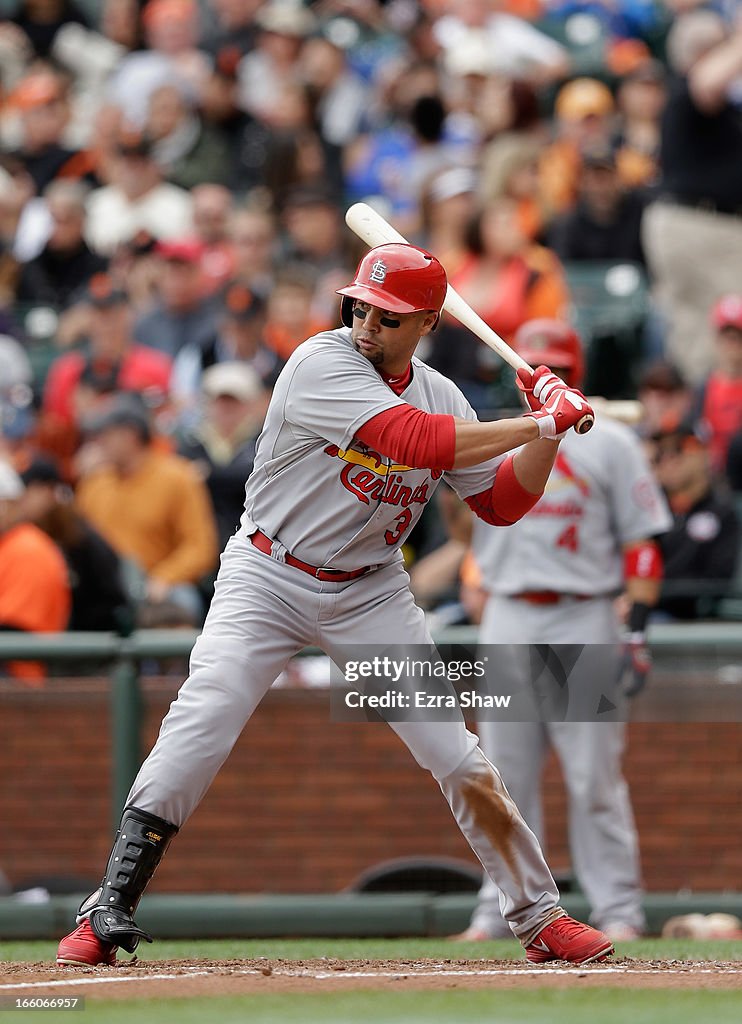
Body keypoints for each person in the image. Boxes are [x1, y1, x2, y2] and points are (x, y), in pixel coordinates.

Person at [56, 243, 612, 969]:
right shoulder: (321, 363)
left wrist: (551, 435)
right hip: (268, 575)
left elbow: (502, 501)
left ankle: (540, 917)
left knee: (457, 755)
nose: (366, 324)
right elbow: (406, 441)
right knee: (202, 721)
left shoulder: (442, 393)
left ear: (427, 324)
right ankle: (109, 907)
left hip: (369, 592)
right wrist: (536, 420)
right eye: (362, 306)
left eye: (389, 316)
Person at [453, 318, 671, 943]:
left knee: (592, 777)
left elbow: (643, 542)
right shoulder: (495, 431)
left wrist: (636, 627)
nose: (551, 379)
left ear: (578, 374)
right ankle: (498, 910)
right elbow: (461, 510)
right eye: (539, 368)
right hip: (510, 613)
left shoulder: (611, 443)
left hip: (582, 612)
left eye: (563, 370)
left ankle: (619, 909)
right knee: (499, 778)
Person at [641, 10, 742, 383]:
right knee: (716, 333)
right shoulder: (688, 91)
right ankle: (708, 423)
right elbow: (709, 81)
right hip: (701, 224)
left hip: (698, 224)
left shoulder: (715, 109)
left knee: (701, 331)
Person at [75, 394, 218, 627]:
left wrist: (165, 577)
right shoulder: (94, 483)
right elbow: (79, 545)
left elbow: (200, 548)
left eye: (105, 435)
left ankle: (183, 665)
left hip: (155, 584)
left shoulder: (177, 476)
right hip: (104, 589)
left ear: (130, 436)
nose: (98, 443)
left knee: (182, 600)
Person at [19, 456, 131, 633]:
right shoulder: (26, 532)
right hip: (51, 633)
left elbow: (111, 598)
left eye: (27, 490)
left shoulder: (78, 535)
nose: (21, 499)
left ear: (49, 491)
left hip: (91, 638)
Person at [649, 418, 740, 621]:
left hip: (692, 617)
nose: (668, 460)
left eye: (678, 450)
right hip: (643, 610)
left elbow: (717, 579)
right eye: (660, 454)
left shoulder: (721, 511)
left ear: (703, 454)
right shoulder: (647, 508)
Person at [0, 460, 70, 684]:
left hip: (19, 682)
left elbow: (14, 630)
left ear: (11, 504)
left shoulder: (27, 549)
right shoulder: (11, 544)